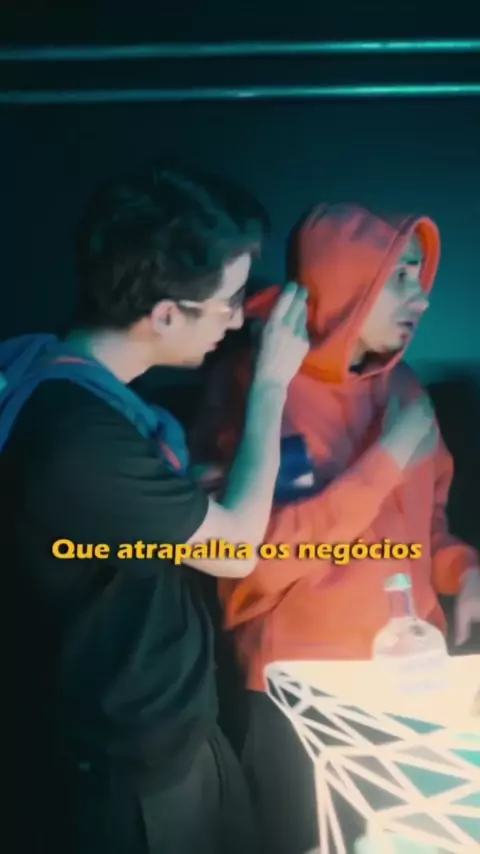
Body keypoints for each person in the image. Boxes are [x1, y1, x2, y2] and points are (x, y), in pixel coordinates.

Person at [1, 162, 309, 854]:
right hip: (131, 760)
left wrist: (182, 490)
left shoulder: (76, 383)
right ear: (166, 314)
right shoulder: (76, 435)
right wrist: (271, 385)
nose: (238, 320)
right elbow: (235, 550)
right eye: (228, 302)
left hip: (173, 725)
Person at [191, 202, 480, 854]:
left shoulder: (405, 390)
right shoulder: (254, 392)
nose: (421, 299)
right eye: (400, 276)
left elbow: (428, 524)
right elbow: (256, 561)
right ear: (346, 281)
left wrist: (462, 570)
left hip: (412, 681)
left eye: (420, 277)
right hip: (301, 694)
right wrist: (385, 462)